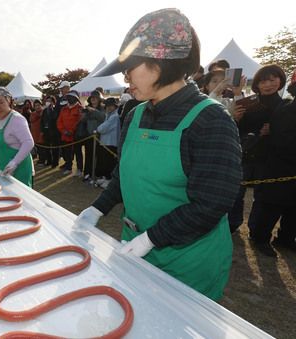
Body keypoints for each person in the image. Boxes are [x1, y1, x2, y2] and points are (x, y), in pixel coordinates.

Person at [73, 8, 241, 301]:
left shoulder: (210, 120)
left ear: (162, 63)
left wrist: (151, 239)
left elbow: (212, 203)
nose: (125, 77)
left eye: (131, 67)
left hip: (187, 261)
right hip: (135, 247)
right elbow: (124, 175)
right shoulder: (135, 113)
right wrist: (98, 208)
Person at [242, 65, 290, 256]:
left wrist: (273, 132)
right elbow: (238, 128)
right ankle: (232, 224)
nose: (268, 84)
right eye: (263, 80)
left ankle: (256, 233)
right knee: (237, 192)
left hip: (268, 158)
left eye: (273, 79)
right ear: (257, 83)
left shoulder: (285, 105)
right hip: (245, 153)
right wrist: (237, 118)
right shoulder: (248, 102)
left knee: (262, 197)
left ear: (280, 81)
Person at [251, 69, 296, 252]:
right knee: (271, 206)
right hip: (280, 167)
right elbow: (281, 140)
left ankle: (286, 238)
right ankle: (260, 239)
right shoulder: (287, 111)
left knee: (293, 210)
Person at [0, 86, 34, 187]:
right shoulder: (0, 120)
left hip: (20, 169)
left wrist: (14, 163)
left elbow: (28, 142)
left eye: (1, 102)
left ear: (9, 101)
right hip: (6, 169)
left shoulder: (16, 119)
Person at [94, 97, 120, 186]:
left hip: (111, 143)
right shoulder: (108, 115)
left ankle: (109, 180)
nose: (109, 107)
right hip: (106, 142)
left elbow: (103, 128)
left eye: (111, 106)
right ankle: (105, 178)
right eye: (107, 106)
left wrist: (97, 129)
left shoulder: (115, 116)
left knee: (110, 162)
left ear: (115, 106)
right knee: (105, 161)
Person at [81, 90, 106, 182]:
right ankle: (87, 173)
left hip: (99, 136)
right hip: (89, 135)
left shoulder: (102, 108)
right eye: (92, 98)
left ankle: (97, 174)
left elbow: (103, 118)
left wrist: (94, 111)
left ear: (99, 99)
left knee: (99, 156)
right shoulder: (87, 108)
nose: (93, 99)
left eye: (95, 98)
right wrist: (87, 113)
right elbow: (83, 120)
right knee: (88, 155)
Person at [57, 90, 83, 176]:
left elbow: (79, 121)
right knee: (67, 152)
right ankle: (68, 167)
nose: (69, 99)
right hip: (65, 135)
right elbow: (59, 121)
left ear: (76, 98)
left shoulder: (80, 109)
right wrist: (63, 130)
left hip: (76, 136)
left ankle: (79, 169)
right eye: (68, 97)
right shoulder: (64, 109)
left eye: (71, 97)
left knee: (78, 152)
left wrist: (71, 131)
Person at [40, 95, 61, 168]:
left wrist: (52, 109)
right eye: (47, 101)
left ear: (53, 102)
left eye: (50, 101)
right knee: (47, 147)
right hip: (46, 131)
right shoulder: (45, 110)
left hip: (54, 131)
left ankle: (55, 162)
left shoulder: (55, 109)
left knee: (55, 148)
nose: (48, 102)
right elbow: (42, 121)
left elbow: (55, 118)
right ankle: (49, 161)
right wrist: (42, 130)